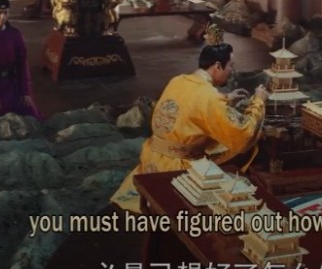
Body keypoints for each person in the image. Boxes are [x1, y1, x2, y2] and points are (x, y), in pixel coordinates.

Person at [110, 23, 268, 213]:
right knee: (245, 145)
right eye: (231, 66)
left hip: (153, 155)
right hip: (177, 165)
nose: (232, 71)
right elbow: (242, 134)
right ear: (218, 66)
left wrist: (226, 99)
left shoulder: (179, 80)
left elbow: (190, 105)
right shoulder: (209, 97)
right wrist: (258, 102)